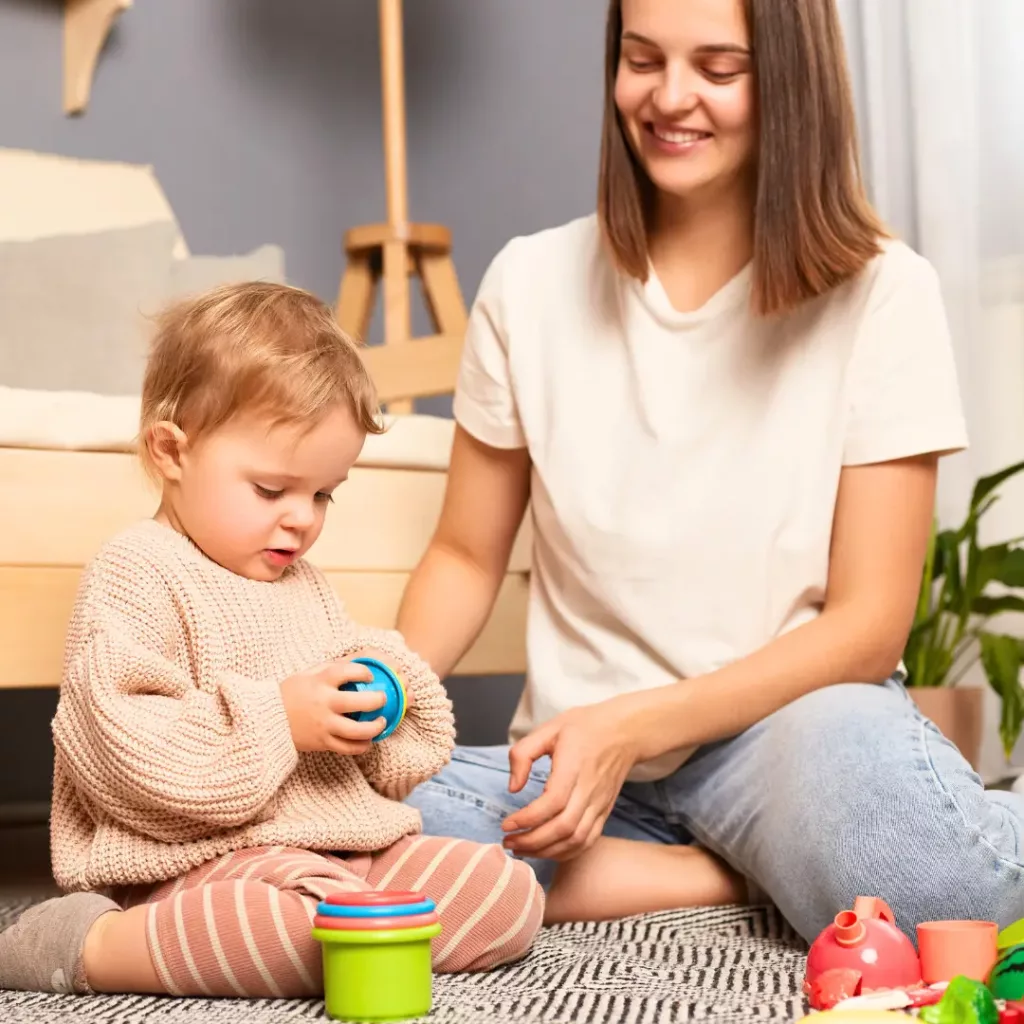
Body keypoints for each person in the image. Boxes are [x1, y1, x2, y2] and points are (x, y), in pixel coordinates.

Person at [396, 0, 1024, 942]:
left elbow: (867, 625)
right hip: (572, 761)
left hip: (791, 735)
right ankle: (724, 876)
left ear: (789, 82)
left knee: (933, 897)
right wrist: (385, 693)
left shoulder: (886, 293)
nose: (670, 97)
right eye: (641, 59)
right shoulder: (527, 284)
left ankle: (796, 847)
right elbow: (464, 554)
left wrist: (636, 725)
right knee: (349, 826)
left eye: (718, 69)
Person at [0, 282, 543, 998]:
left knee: (503, 891)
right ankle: (89, 943)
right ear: (171, 451)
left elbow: (394, 749)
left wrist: (383, 691)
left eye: (323, 494)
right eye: (271, 490)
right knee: (275, 925)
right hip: (187, 867)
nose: (302, 521)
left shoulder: (303, 585)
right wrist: (279, 720)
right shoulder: (137, 571)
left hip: (335, 852)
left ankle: (340, 921)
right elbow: (126, 752)